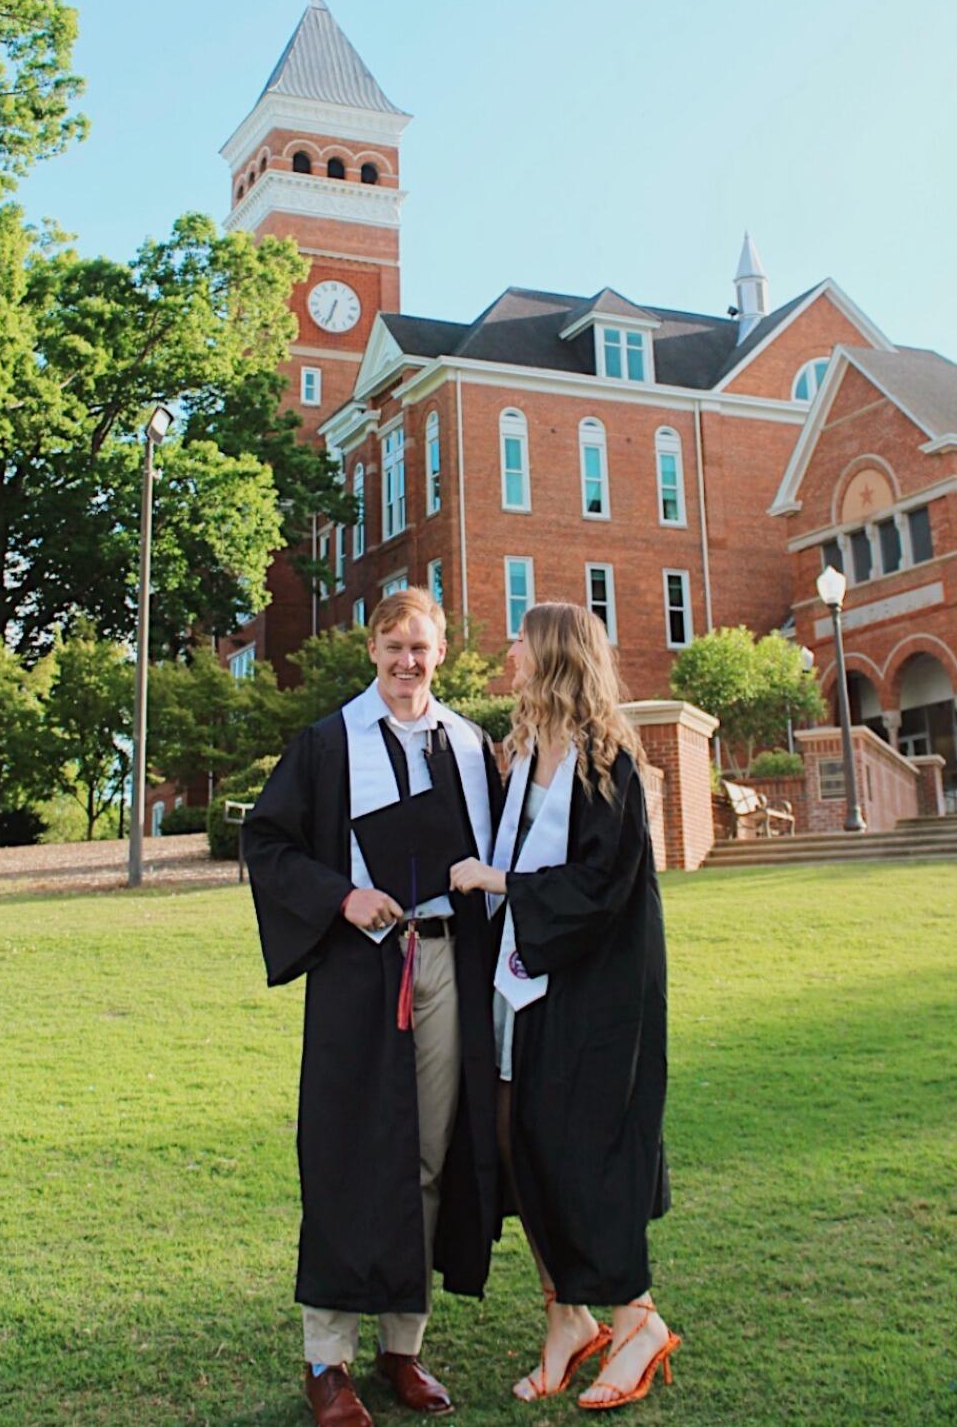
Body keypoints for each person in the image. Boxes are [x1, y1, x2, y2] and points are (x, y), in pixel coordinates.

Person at [242, 589, 502, 1427]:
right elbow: (269, 843)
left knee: (429, 1153)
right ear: (371, 650)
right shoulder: (327, 743)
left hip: (445, 959)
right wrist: (342, 894)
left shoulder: (468, 743)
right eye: (393, 647)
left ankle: (403, 1346)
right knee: (348, 1152)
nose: (406, 662)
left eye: (420, 648)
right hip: (362, 968)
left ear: (442, 652)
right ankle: (329, 1360)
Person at [450, 601, 677, 1412]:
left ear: (551, 657)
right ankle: (566, 1317)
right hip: (525, 982)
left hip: (595, 991)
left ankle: (636, 1317)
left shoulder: (607, 760)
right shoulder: (522, 752)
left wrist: (500, 881)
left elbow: (600, 889)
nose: (508, 649)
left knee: (588, 1146)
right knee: (517, 1139)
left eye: (521, 639)